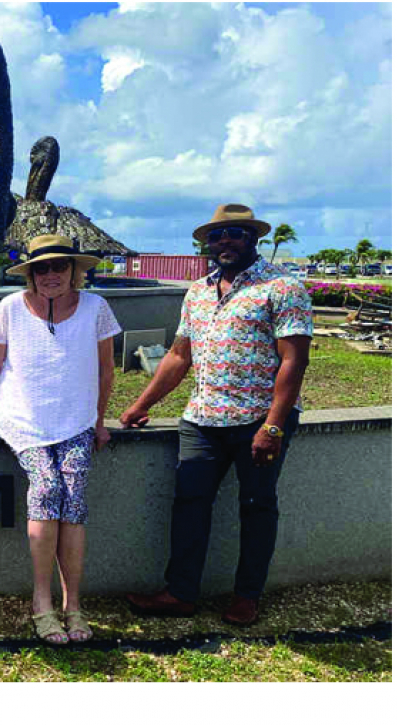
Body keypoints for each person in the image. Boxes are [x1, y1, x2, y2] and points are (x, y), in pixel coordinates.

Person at [120, 204, 313, 626]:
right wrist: (140, 406)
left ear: (253, 238)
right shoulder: (198, 292)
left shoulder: (282, 288)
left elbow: (293, 361)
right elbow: (177, 356)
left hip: (259, 421)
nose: (225, 240)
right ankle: (180, 593)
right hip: (202, 419)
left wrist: (274, 425)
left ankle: (247, 596)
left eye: (236, 233)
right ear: (207, 242)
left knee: (256, 505)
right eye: (217, 234)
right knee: (189, 504)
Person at [0, 234, 120, 644]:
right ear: (30, 275)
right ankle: (41, 601)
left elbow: (107, 371)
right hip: (24, 422)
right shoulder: (10, 309)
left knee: (74, 498)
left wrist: (100, 421)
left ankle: (73, 605)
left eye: (59, 266)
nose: (51, 275)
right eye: (41, 268)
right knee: (48, 487)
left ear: (75, 270)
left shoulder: (96, 309)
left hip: (76, 422)